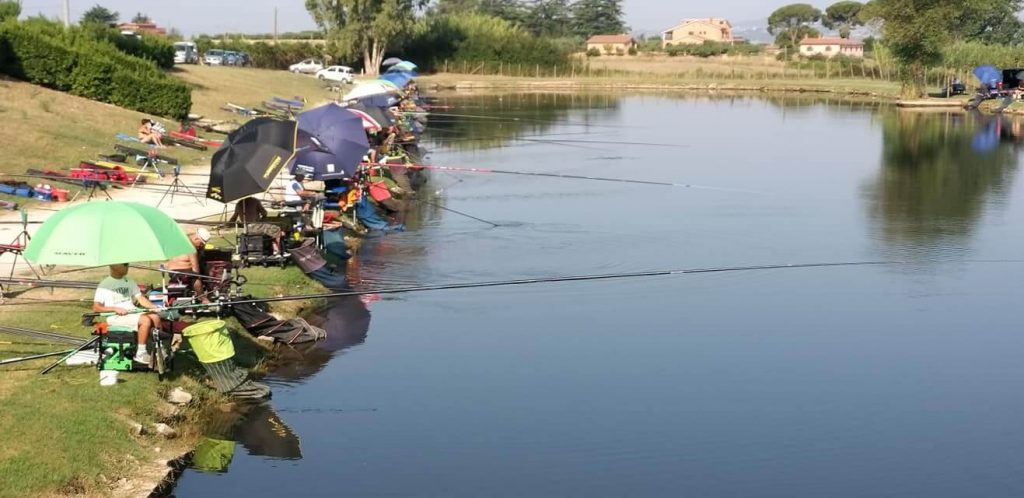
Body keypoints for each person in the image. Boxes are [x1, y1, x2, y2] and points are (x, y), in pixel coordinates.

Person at [93, 263, 162, 364]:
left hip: (132, 313)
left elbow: (141, 298)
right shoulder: (104, 285)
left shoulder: (129, 280)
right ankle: (140, 354)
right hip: (115, 317)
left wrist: (153, 307)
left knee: (155, 317)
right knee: (145, 320)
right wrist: (115, 309)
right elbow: (96, 308)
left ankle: (160, 348)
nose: (127, 266)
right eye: (125, 264)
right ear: (114, 266)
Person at [166, 228, 212, 304]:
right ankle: (203, 298)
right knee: (196, 276)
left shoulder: (181, 240)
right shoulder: (191, 248)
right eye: (201, 243)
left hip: (172, 271)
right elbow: (196, 271)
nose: (201, 246)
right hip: (181, 273)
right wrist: (201, 292)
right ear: (196, 238)